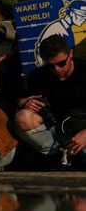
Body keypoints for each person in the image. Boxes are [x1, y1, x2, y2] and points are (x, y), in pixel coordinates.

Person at [14, 34, 86, 167]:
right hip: (57, 132)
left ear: (71, 53)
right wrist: (24, 102)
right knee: (23, 116)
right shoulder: (38, 76)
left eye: (61, 63)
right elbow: (21, 100)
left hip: (82, 129)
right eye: (51, 65)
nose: (57, 69)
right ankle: (60, 156)